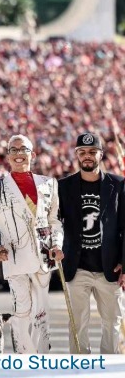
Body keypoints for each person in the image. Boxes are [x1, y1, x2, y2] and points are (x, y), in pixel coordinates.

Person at [0, 134, 65, 354]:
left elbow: (55, 222)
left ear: (32, 154)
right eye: (13, 150)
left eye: (23, 149)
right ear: (8, 156)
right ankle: (24, 359)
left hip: (44, 259)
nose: (19, 154)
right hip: (15, 258)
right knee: (22, 310)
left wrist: (57, 243)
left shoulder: (49, 184)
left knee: (41, 314)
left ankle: (40, 361)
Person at [58, 132, 125, 354]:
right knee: (77, 325)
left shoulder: (118, 184)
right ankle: (80, 368)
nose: (87, 156)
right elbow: (54, 223)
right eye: (83, 152)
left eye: (92, 152)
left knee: (112, 323)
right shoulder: (63, 187)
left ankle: (108, 369)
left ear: (101, 154)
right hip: (77, 267)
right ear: (77, 155)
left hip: (110, 268)